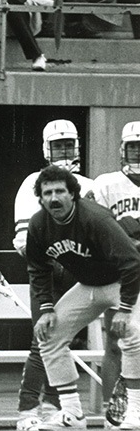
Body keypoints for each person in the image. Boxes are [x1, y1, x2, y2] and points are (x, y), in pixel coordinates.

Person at [26, 164, 140, 430]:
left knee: (134, 331)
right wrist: (46, 308)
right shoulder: (39, 225)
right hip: (88, 285)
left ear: (73, 194)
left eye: (60, 192)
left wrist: (125, 307)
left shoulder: (95, 219)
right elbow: (38, 268)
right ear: (40, 198)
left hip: (120, 282)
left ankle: (135, 410)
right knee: (49, 335)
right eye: (47, 193)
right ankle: (72, 413)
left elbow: (132, 261)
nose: (54, 198)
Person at [11, 119, 97, 430]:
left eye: (68, 144)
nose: (64, 150)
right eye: (57, 145)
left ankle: (56, 405)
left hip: (80, 275)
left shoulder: (90, 185)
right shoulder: (33, 183)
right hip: (48, 272)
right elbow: (24, 241)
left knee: (65, 340)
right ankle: (28, 408)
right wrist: (57, 261)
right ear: (46, 149)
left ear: (78, 146)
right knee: (44, 339)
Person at [87, 121, 140, 402]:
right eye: (134, 148)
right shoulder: (106, 184)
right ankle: (112, 410)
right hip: (121, 276)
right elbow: (94, 230)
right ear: (123, 150)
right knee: (116, 343)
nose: (138, 154)